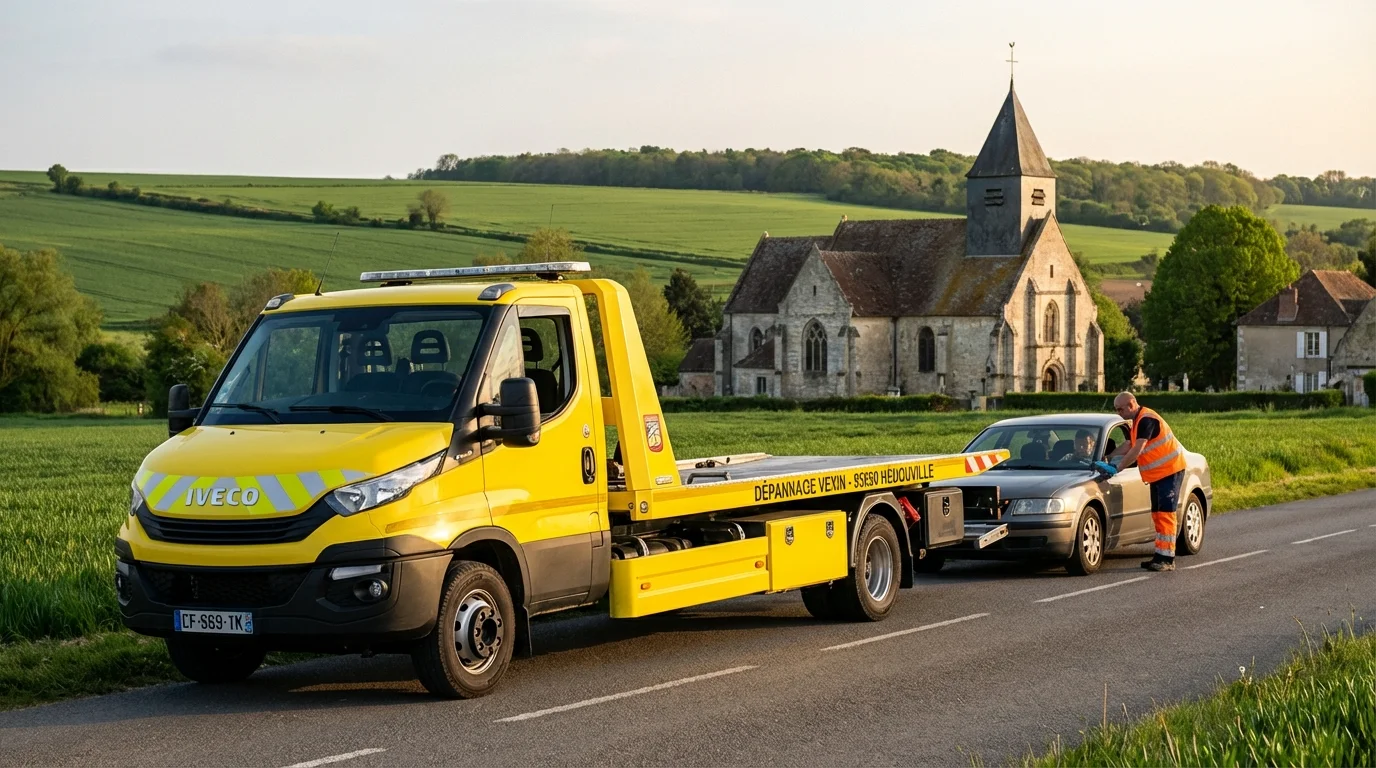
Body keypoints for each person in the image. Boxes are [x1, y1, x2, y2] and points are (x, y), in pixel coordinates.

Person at [1108, 392, 1187, 571]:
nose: (1118, 413)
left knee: (1165, 514)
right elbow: (1129, 445)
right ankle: (1160, 556)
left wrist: (1117, 467)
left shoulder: (1146, 420)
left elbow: (1137, 449)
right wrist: (1108, 457)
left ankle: (1167, 560)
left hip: (1170, 471)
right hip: (1159, 475)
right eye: (1116, 410)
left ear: (1131, 404)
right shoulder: (1137, 422)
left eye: (1120, 409)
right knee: (1158, 514)